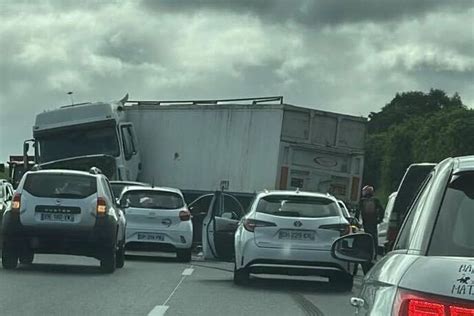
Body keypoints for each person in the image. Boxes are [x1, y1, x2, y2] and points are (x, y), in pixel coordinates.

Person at [356, 185, 384, 274]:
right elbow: (382, 210)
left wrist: (356, 221)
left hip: (366, 223)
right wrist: (380, 219)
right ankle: (374, 255)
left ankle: (369, 253)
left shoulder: (362, 201)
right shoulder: (375, 200)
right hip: (373, 222)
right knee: (374, 238)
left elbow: (357, 212)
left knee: (367, 237)